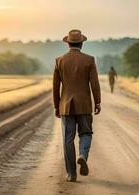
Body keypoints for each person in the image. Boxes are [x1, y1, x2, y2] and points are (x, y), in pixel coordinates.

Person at [53, 29, 101, 182]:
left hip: (65, 106)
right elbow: (94, 83)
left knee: (68, 139)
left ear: (68, 43)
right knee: (86, 134)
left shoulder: (59, 60)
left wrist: (56, 105)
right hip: (84, 105)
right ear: (82, 43)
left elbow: (55, 86)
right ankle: (82, 155)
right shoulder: (89, 60)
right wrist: (97, 101)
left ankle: (71, 174)